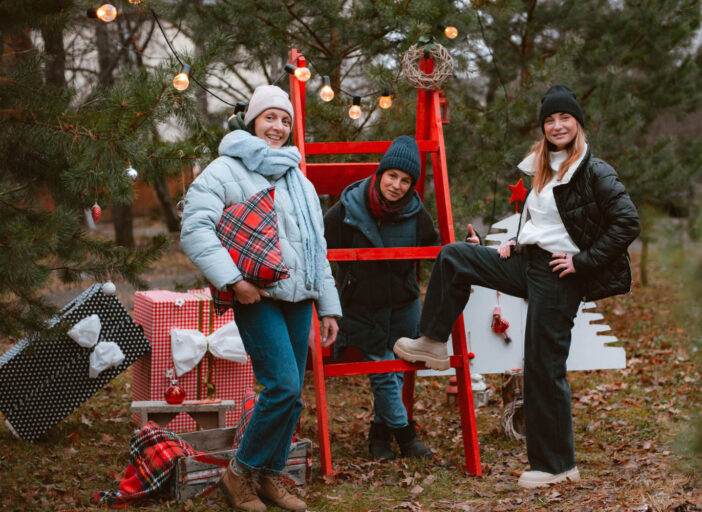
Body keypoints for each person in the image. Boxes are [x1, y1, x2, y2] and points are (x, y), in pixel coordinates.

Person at [394, 85, 641, 489]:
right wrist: (517, 239)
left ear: (578, 123)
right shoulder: (543, 166)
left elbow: (627, 222)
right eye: (550, 120)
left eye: (564, 118)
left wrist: (584, 261)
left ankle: (557, 465)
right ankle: (434, 341)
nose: (557, 125)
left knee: (543, 367)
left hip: (562, 277)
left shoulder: (594, 169)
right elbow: (546, 221)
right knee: (455, 256)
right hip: (527, 262)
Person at [180, 84, 341, 512]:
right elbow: (195, 230)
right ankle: (239, 474)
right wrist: (235, 281)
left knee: (291, 395)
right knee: (282, 387)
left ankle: (270, 477)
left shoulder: (299, 178)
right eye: (270, 117)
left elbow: (315, 247)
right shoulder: (223, 170)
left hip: (299, 299)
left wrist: (327, 305)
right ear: (252, 120)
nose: (278, 126)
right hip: (258, 296)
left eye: (285, 120)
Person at [323, 136, 438, 460]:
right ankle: (405, 437)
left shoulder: (416, 212)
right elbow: (317, 245)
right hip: (361, 306)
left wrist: (470, 246)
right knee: (383, 371)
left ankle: (378, 436)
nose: (397, 185)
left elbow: (436, 247)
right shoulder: (347, 208)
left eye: (405, 180)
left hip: (403, 305)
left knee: (396, 370)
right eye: (392, 176)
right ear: (380, 173)